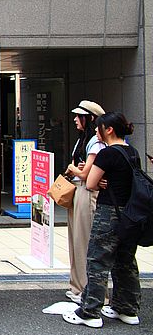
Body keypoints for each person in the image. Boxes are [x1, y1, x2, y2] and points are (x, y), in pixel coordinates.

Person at [64, 112, 142, 328]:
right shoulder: (132, 152)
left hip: (109, 212)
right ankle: (127, 309)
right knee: (126, 261)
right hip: (130, 213)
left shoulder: (107, 154)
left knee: (98, 260)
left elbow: (90, 183)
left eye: (99, 128)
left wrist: (97, 182)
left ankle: (90, 311)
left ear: (109, 130)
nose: (96, 131)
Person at [63, 100, 105, 304]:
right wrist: (75, 169)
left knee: (84, 241)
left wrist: (74, 169)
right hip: (78, 190)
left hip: (87, 192)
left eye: (79, 116)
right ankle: (77, 286)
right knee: (76, 239)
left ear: (90, 118)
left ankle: (87, 289)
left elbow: (85, 173)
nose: (75, 119)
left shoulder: (96, 143)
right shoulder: (84, 140)